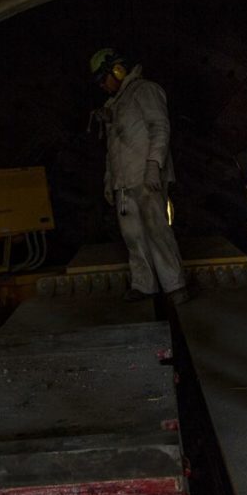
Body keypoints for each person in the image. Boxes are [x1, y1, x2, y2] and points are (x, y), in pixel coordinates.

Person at [90, 48, 192, 305]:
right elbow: (113, 149)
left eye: (104, 78)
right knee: (133, 236)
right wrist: (109, 180)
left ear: (117, 70)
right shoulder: (114, 104)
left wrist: (153, 166)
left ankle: (175, 285)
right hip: (124, 183)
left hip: (146, 178)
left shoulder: (144, 90)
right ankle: (144, 285)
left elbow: (160, 127)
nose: (103, 86)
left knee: (158, 231)